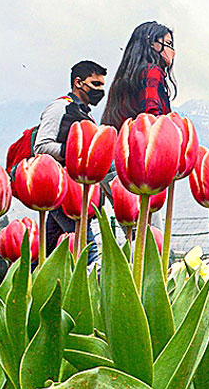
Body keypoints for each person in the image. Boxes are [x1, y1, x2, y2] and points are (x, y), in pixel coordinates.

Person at [32, 60, 107, 259]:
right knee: (88, 250)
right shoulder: (60, 108)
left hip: (77, 194)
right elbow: (40, 147)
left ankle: (28, 285)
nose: (100, 90)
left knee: (48, 253)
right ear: (78, 82)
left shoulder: (83, 113)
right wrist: (75, 152)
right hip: (63, 192)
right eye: (96, 84)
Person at [102, 21, 176, 129]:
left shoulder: (125, 79)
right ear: (152, 43)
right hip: (146, 143)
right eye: (168, 44)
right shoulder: (152, 72)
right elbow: (152, 117)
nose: (173, 52)